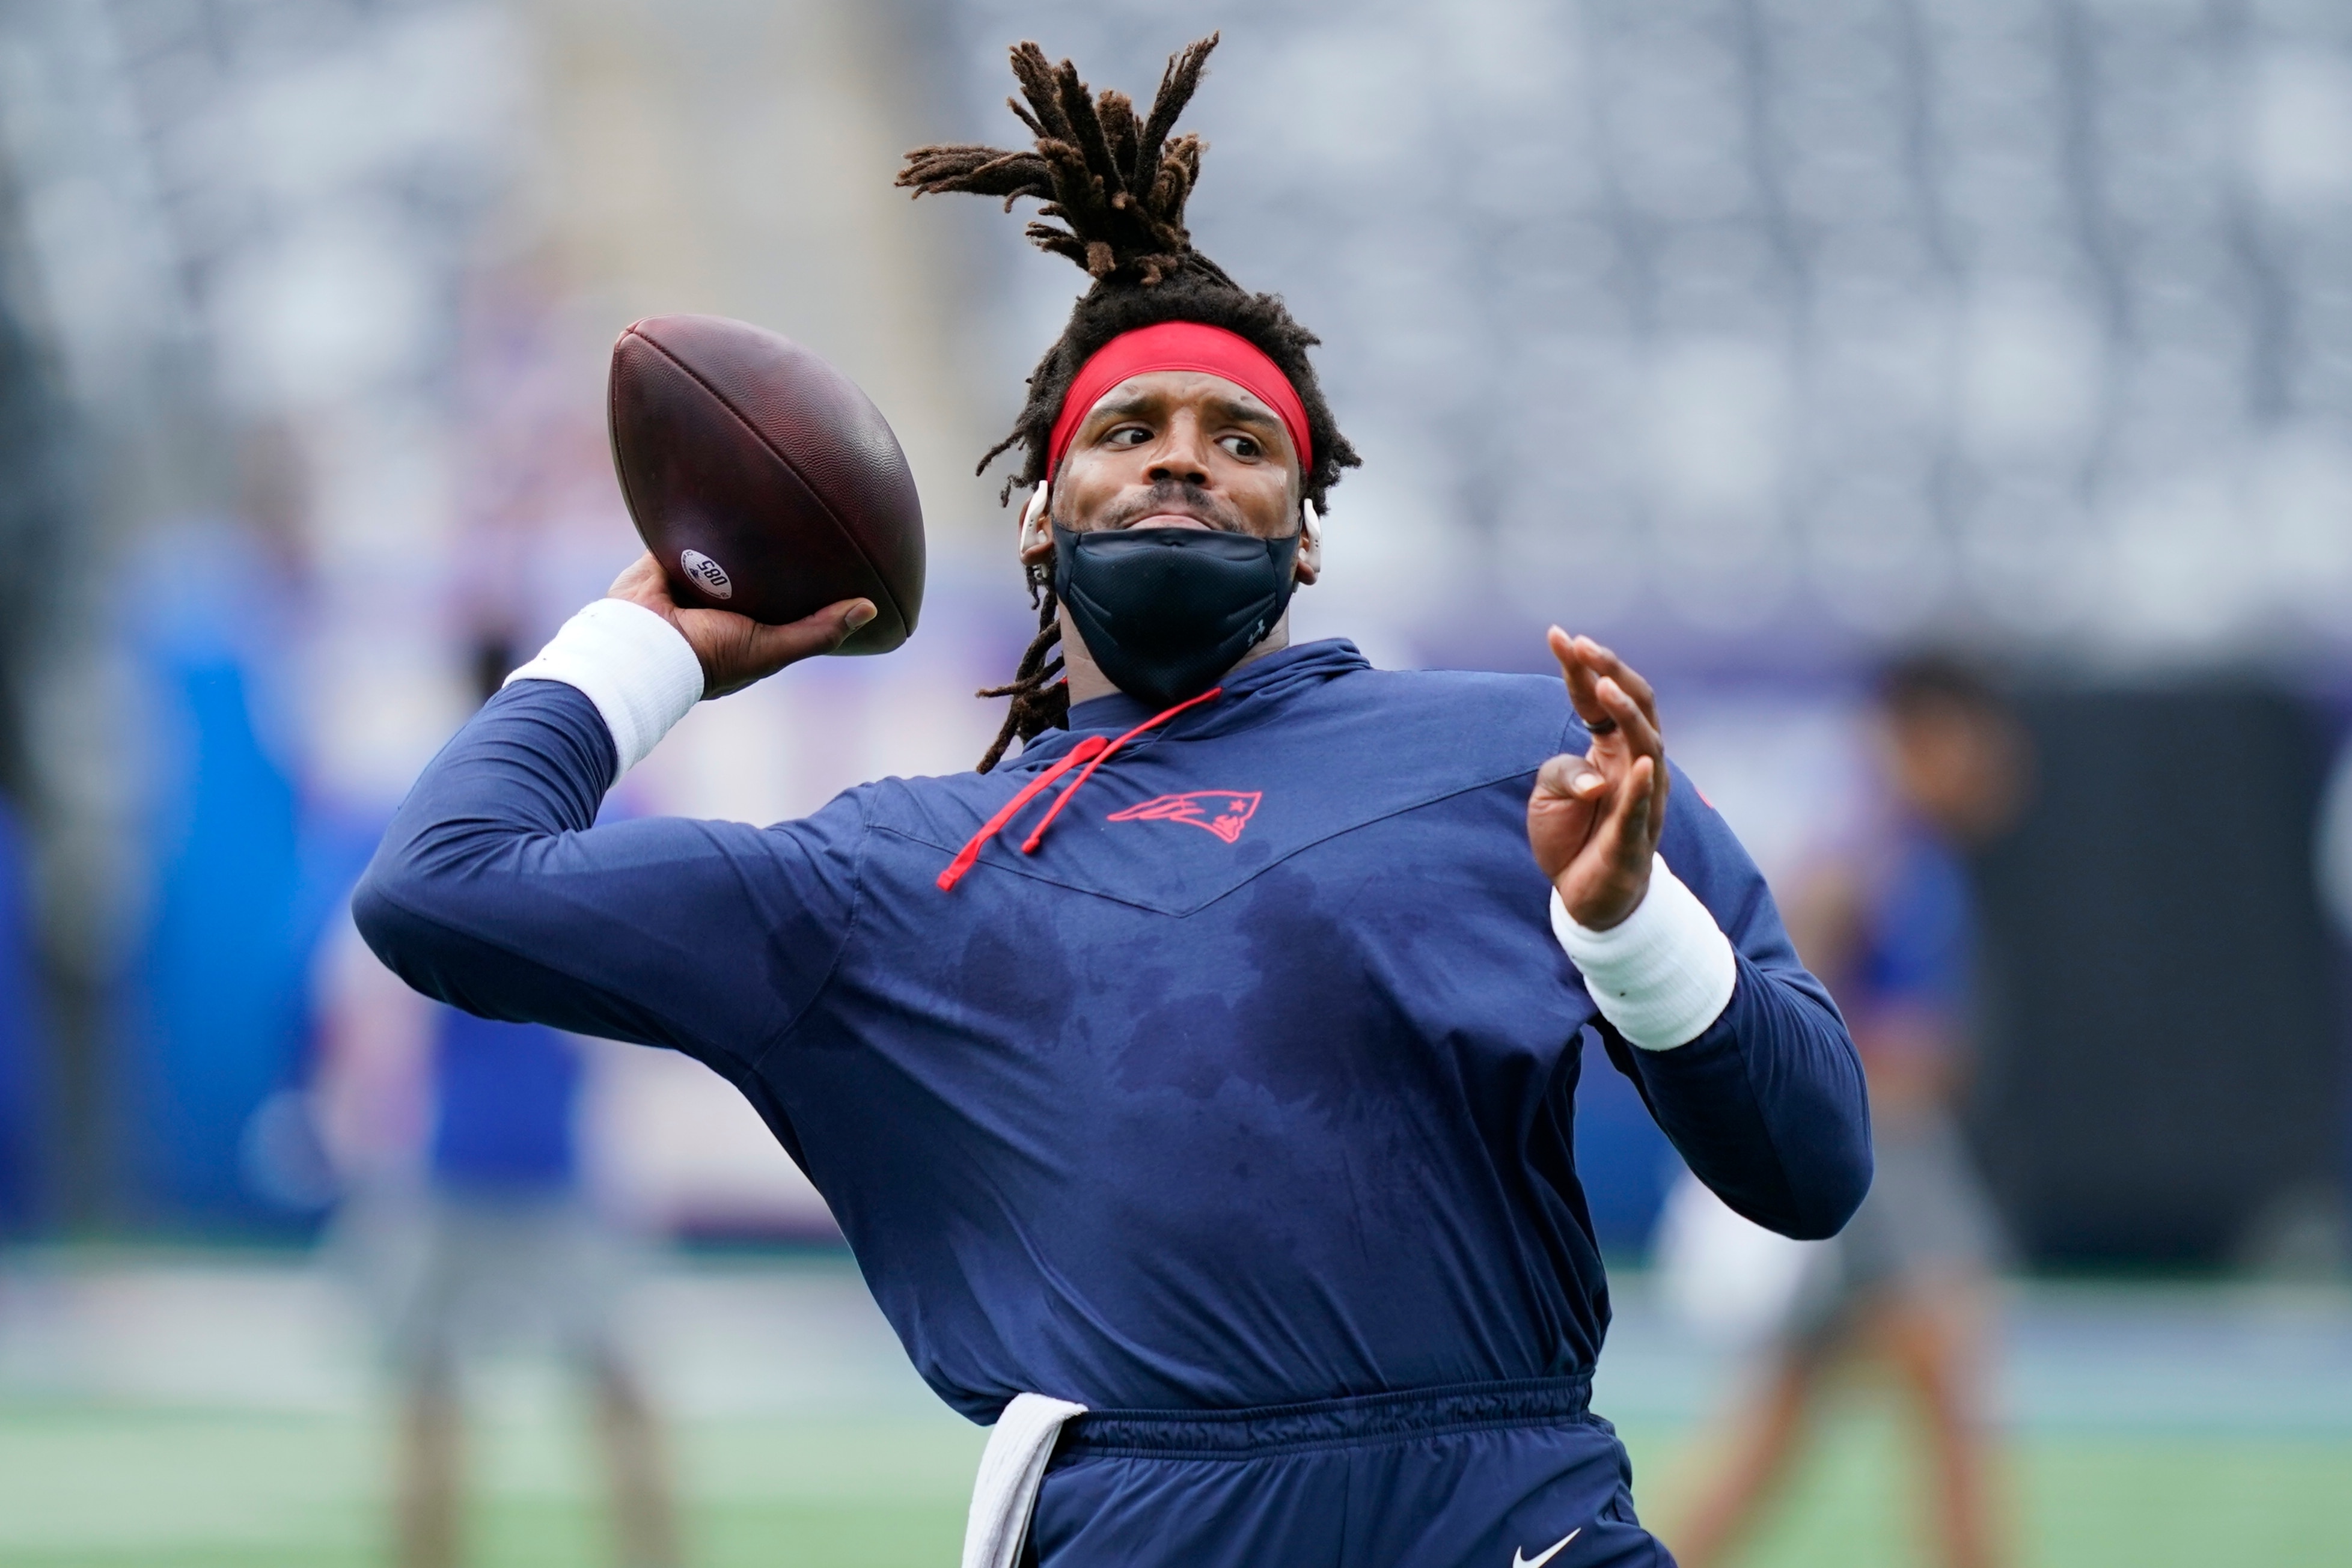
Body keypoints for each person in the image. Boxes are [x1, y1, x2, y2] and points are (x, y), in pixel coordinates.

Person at [354, 38, 1869, 1568]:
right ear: (1034, 517)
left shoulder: (1531, 767)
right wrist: (654, 646)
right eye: (1128, 431)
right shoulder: (889, 874)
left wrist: (1627, 931)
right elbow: (441, 886)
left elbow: (1810, 1173)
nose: (1182, 464)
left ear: (1308, 535)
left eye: (1243, 439)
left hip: (1508, 1523)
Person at [319, 641, 680, 1568]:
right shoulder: (589, 817)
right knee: (597, 1390)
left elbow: (357, 985)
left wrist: (361, 1111)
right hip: (524, 1139)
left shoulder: (427, 809)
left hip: (472, 1141)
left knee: (439, 1398)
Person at [1666, 654, 2021, 1568]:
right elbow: (1787, 978)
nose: (1987, 758)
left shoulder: (1913, 843)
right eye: (1968, 734)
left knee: (1775, 1428)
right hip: (1888, 1157)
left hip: (1887, 1153)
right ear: (1918, 732)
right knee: (1954, 1394)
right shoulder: (1862, 848)